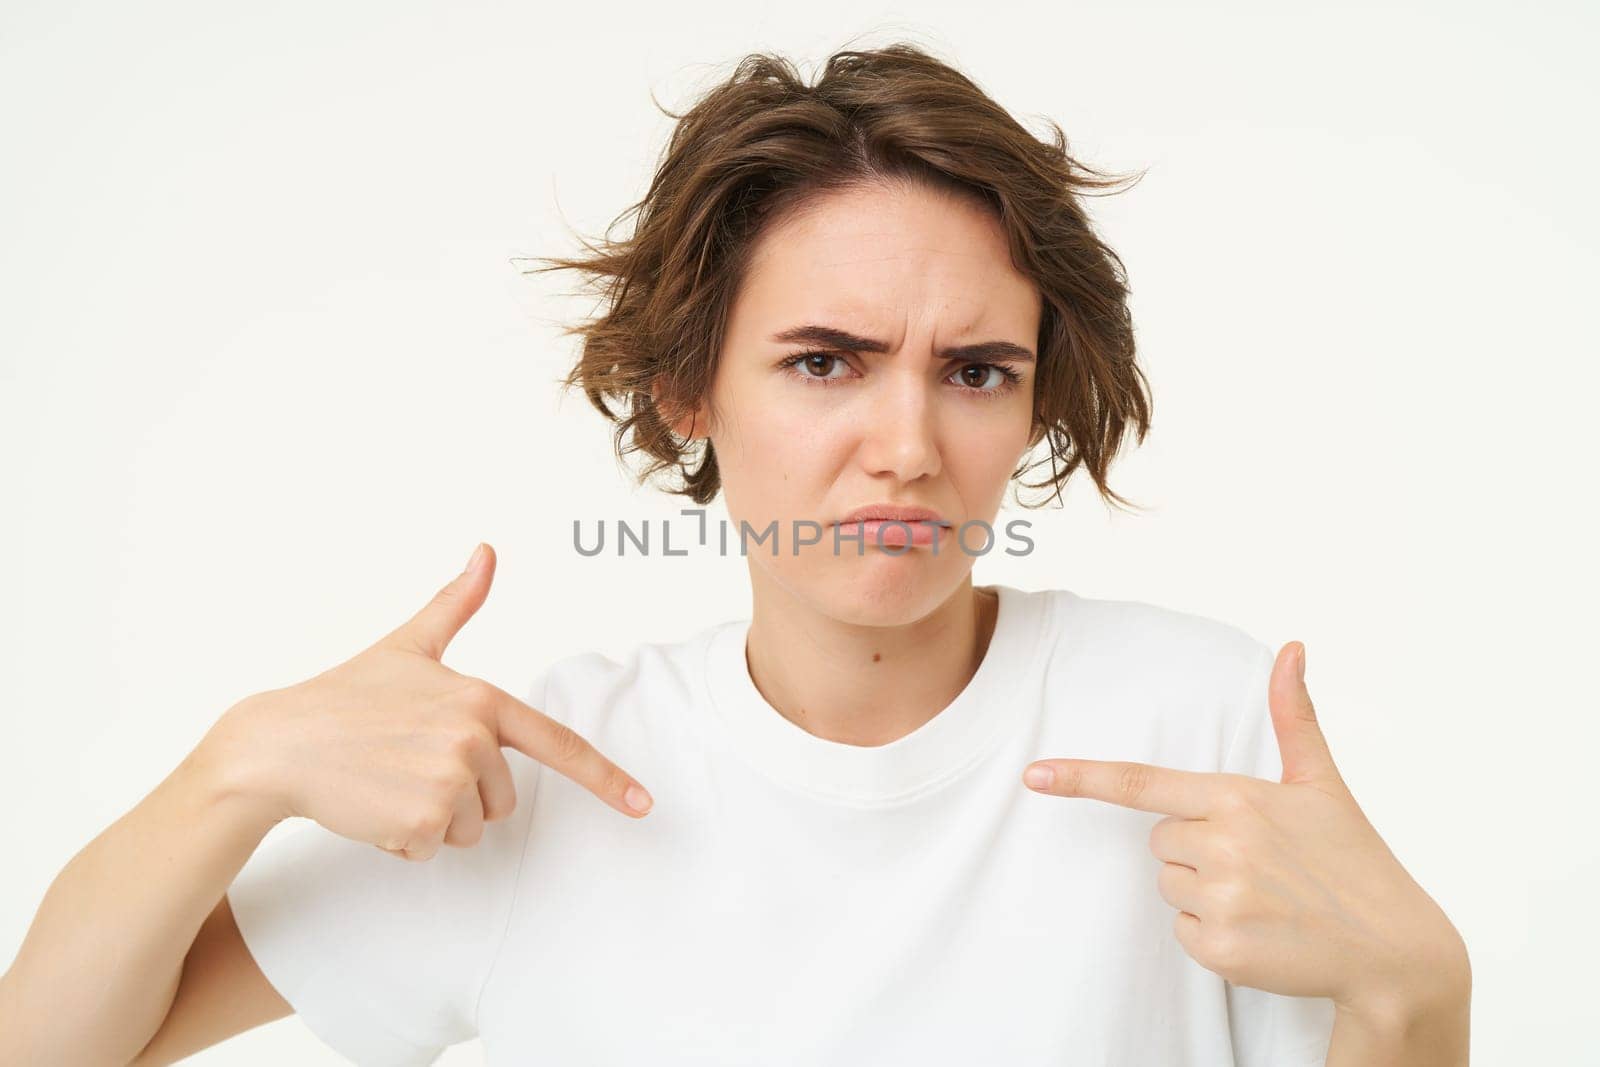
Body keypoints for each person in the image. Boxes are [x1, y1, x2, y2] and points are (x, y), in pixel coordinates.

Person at [0, 43, 1471, 1067]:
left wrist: (1421, 994)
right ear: (689, 390)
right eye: (825, 363)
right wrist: (236, 766)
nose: (905, 444)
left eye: (974, 371)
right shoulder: (552, 781)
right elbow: (54, 1046)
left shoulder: (1190, 729)